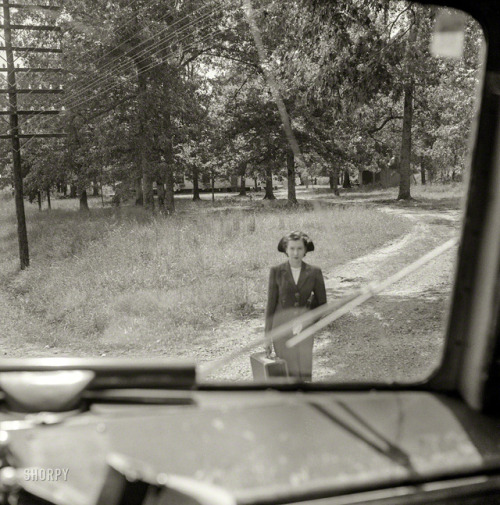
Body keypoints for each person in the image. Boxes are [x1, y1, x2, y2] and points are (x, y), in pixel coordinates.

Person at [264, 231, 327, 381]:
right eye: (292, 248)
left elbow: (322, 304)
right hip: (281, 330)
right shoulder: (276, 271)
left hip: (304, 332)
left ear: (305, 250)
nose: (295, 253)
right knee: (285, 373)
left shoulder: (314, 272)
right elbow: (271, 305)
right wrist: (267, 337)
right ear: (286, 250)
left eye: (299, 248)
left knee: (304, 373)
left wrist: (306, 321)